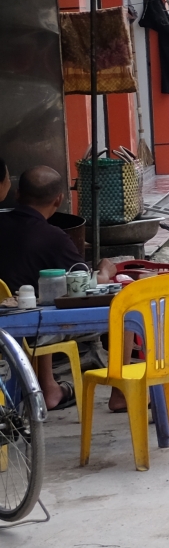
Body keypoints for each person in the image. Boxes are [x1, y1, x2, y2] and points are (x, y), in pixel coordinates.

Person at [0, 161, 83, 410]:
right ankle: (52, 389)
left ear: (17, 194)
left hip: (7, 323)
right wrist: (107, 272)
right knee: (48, 309)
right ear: (58, 200)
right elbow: (81, 282)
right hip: (27, 329)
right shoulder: (54, 237)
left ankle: (48, 387)